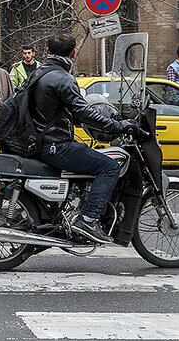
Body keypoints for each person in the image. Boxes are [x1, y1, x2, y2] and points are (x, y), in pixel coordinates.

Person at [31, 32, 135, 244]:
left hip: (40, 140)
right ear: (73, 53)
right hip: (54, 145)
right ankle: (87, 219)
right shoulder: (63, 79)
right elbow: (83, 112)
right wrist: (117, 126)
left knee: (87, 155)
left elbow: (55, 110)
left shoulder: (39, 73)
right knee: (109, 167)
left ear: (47, 51)